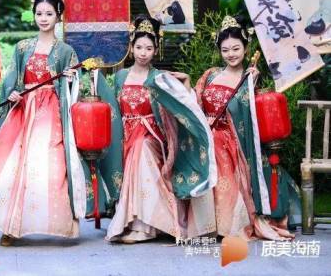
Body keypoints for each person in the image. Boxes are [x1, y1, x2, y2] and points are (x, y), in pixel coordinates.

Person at [97, 15, 216, 243]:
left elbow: (183, 105)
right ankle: (132, 223)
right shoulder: (120, 76)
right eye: (139, 47)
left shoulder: (159, 77)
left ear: (156, 51)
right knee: (135, 151)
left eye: (149, 48)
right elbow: (113, 110)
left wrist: (187, 84)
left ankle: (145, 228)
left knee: (142, 150)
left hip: (152, 135)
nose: (143, 53)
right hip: (126, 135)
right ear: (131, 48)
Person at [0, 0, 88, 246]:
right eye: (39, 13)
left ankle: (61, 225)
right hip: (24, 112)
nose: (43, 18)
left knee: (50, 168)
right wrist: (12, 93)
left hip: (51, 114)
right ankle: (11, 227)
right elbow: (12, 79)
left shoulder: (66, 51)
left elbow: (79, 86)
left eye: (49, 14)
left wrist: (70, 79)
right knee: (13, 166)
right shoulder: (23, 47)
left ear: (58, 16)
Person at [187, 15, 301, 240]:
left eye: (236, 48)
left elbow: (252, 116)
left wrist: (251, 85)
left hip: (232, 140)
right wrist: (185, 85)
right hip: (206, 135)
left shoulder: (249, 78)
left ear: (246, 48)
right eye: (225, 50)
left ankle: (228, 224)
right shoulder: (210, 75)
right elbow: (195, 103)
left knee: (217, 146)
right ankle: (205, 225)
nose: (231, 54)